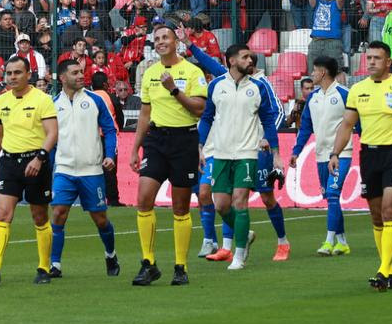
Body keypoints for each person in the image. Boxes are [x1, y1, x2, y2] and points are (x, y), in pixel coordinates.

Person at [331, 41, 392, 292]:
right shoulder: (357, 90)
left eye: (377, 58)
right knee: (376, 215)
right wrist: (335, 153)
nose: (371, 62)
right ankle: (389, 271)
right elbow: (347, 125)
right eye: (369, 57)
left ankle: (382, 271)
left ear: (388, 61)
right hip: (369, 155)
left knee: (389, 210)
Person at [128, 25, 209, 286]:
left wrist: (174, 89)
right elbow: (144, 114)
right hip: (156, 141)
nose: (161, 42)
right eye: (157, 39)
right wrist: (135, 148)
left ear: (176, 42)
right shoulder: (150, 73)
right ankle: (148, 263)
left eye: (166, 37)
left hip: (184, 140)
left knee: (180, 207)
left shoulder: (192, 72)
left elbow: (199, 109)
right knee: (143, 200)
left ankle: (180, 266)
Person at [197, 44, 285, 271]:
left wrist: (276, 153)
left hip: (247, 153)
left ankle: (238, 256)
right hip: (221, 153)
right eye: (245, 57)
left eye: (250, 56)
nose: (250, 60)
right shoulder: (216, 85)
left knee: (239, 201)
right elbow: (207, 118)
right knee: (221, 205)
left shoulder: (258, 87)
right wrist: (199, 145)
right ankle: (244, 234)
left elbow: (268, 120)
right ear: (232, 61)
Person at [0, 57, 60, 286]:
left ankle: (44, 268)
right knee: (2, 214)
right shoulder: (0, 101)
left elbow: (52, 133)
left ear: (29, 74)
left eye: (17, 72)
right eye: (9, 73)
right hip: (9, 163)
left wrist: (40, 158)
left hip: (35, 163)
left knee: (39, 216)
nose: (12, 77)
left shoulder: (43, 100)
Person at [48, 59, 121, 278]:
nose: (81, 75)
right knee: (58, 214)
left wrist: (110, 155)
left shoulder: (95, 100)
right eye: (75, 73)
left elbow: (110, 130)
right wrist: (48, 166)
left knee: (100, 219)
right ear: (63, 78)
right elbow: (49, 138)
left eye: (81, 71)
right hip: (64, 170)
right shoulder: (52, 104)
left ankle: (110, 254)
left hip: (91, 171)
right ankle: (55, 264)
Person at [293, 56, 354, 256]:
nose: (311, 74)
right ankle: (342, 242)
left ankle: (328, 241)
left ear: (323, 72)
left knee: (333, 194)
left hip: (342, 153)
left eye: (314, 70)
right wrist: (296, 151)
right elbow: (306, 128)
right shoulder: (313, 98)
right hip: (321, 155)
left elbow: (357, 122)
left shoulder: (345, 94)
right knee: (330, 198)